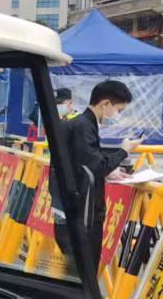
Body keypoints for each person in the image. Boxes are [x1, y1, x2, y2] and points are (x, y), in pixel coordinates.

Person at [51, 79, 135, 252]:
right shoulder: (84, 126)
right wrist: (124, 151)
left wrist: (109, 172)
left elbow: (84, 162)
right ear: (105, 104)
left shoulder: (79, 124)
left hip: (69, 210)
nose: (118, 116)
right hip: (81, 215)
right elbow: (97, 167)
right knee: (85, 264)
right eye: (119, 110)